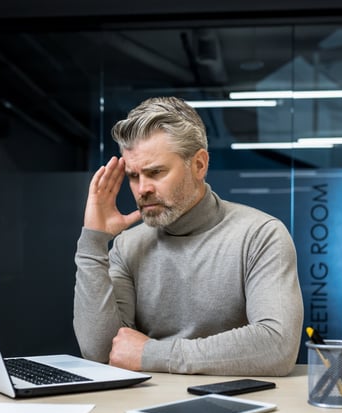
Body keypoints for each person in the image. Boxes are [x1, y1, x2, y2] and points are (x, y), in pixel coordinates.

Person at [72, 96, 304, 376]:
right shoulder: (127, 245)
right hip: (146, 407)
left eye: (155, 172)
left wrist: (154, 354)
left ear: (199, 165)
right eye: (133, 176)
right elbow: (102, 351)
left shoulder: (261, 236)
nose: (141, 189)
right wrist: (93, 241)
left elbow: (277, 346)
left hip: (240, 407)